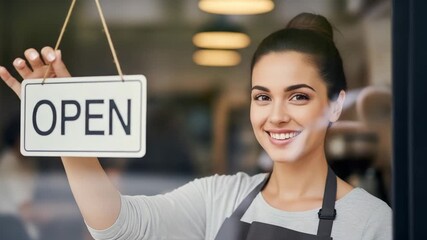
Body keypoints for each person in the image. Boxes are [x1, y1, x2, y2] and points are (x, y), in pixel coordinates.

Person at [0, 13, 392, 240]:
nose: (276, 116)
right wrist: (66, 119)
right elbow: (115, 225)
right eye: (262, 96)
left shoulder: (374, 222)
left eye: (299, 96)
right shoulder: (219, 197)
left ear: (337, 104)